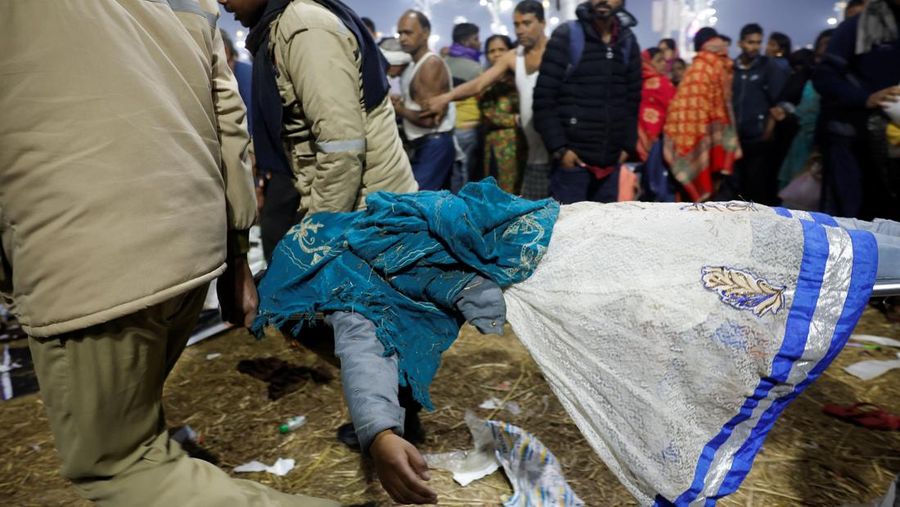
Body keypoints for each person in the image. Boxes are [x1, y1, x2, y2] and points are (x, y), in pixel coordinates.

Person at [255, 179, 898, 507]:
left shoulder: (332, 281)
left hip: (565, 279)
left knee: (720, 277)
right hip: (572, 229)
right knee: (724, 241)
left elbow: (362, 342)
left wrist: (377, 430)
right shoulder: (363, 227)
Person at [0, 1, 338, 505]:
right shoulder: (190, 4)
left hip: (87, 250)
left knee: (122, 467)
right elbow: (228, 119)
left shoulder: (304, 25)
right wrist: (235, 253)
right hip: (189, 238)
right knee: (135, 413)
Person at [222, 0, 418, 262]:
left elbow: (342, 148)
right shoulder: (279, 30)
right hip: (353, 213)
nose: (222, 1)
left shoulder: (306, 30)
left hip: (368, 220)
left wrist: (315, 242)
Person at [423, 0, 551, 200]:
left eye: (526, 23)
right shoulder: (513, 57)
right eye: (516, 25)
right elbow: (478, 84)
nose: (520, 30)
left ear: (542, 23)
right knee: (532, 205)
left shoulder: (557, 50)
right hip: (532, 150)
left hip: (555, 143)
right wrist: (446, 97)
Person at [533, 0, 642, 204]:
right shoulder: (567, 36)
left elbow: (632, 101)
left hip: (611, 165)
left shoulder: (627, 41)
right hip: (572, 166)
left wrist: (626, 147)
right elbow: (543, 99)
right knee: (568, 233)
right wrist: (561, 150)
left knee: (605, 233)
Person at [814, 0, 900, 220]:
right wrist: (865, 98)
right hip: (854, 140)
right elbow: (824, 77)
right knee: (853, 218)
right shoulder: (857, 27)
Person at [663, 28, 741, 202]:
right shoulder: (723, 64)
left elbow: (683, 108)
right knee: (719, 190)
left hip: (694, 133)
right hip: (718, 131)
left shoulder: (698, 67)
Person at [726, 23, 789, 205]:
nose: (755, 47)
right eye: (750, 42)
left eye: (758, 42)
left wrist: (768, 128)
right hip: (734, 139)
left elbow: (778, 101)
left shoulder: (768, 67)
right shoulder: (732, 68)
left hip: (759, 138)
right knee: (735, 187)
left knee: (756, 187)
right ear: (740, 43)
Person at [394, 10, 457, 191]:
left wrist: (399, 109)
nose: (403, 38)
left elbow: (430, 119)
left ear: (426, 33)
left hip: (434, 143)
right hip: (426, 144)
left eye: (408, 32)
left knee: (417, 203)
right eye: (400, 33)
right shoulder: (415, 64)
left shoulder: (430, 65)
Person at [479, 35, 525, 194]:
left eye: (501, 50)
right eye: (491, 51)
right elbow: (489, 113)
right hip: (498, 144)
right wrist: (516, 119)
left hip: (524, 142)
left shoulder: (521, 76)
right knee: (500, 188)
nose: (496, 54)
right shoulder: (485, 82)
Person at [445, 22, 484, 191]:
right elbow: (481, 97)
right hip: (468, 127)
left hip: (449, 127)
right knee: (466, 176)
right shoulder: (475, 68)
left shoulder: (442, 62)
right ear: (467, 41)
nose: (479, 43)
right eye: (476, 38)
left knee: (455, 173)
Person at [637, 48, 677, 162]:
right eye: (659, 61)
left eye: (664, 60)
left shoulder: (635, 82)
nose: (664, 64)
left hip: (638, 140)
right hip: (659, 142)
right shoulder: (664, 83)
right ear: (647, 63)